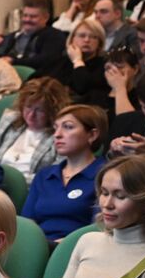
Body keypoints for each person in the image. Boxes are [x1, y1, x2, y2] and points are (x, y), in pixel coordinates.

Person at [23, 104, 108, 242]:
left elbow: (98, 228)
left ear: (92, 135)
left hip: (77, 250)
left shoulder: (105, 175)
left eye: (68, 127)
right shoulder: (44, 175)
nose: (57, 135)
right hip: (40, 248)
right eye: (56, 128)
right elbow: (27, 223)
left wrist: (64, 246)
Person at [0, 76, 69, 180]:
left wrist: (15, 183)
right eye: (28, 107)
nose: (31, 115)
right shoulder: (11, 120)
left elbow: (53, 176)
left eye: (40, 110)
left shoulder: (60, 136)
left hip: (31, 191)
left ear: (52, 112)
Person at [0, 0, 67, 75]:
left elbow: (45, 60)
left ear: (46, 17)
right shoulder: (14, 36)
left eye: (33, 17)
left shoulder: (54, 36)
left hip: (36, 81)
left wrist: (13, 61)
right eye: (25, 16)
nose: (27, 20)